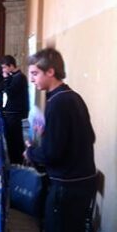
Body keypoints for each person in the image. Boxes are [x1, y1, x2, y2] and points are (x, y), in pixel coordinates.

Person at [23, 48, 97, 232]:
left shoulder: (58, 103)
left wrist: (30, 152)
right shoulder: (72, 96)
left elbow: (52, 153)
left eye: (35, 73)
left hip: (67, 186)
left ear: (50, 71)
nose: (31, 79)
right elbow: (90, 137)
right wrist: (48, 134)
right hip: (80, 182)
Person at [0, 55, 29, 164]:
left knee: (14, 139)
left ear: (11, 66)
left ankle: (17, 161)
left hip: (15, 113)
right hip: (12, 112)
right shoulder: (15, 76)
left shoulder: (19, 77)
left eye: (4, 67)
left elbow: (10, 92)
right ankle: (15, 160)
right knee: (12, 138)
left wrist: (6, 78)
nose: (3, 70)